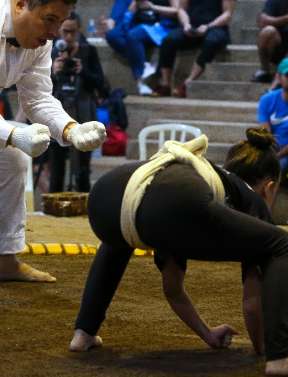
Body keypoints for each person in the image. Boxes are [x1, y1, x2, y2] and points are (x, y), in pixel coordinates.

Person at [69, 128, 288, 376]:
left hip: (106, 197)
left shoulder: (193, 187)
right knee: (280, 243)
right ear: (270, 188)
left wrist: (207, 333)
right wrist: (265, 350)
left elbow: (173, 289)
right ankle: (282, 356)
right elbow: (252, 305)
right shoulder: (251, 200)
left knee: (119, 239)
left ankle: (84, 333)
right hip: (168, 197)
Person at [0, 0, 107, 283]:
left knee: (12, 159)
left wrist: (71, 129)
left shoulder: (39, 40)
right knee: (11, 146)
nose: (55, 32)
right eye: (49, 20)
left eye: (60, 22)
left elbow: (37, 98)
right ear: (21, 4)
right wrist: (13, 133)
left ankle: (4, 260)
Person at [49, 11, 105, 192]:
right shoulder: (51, 51)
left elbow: (102, 85)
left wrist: (83, 71)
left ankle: (83, 206)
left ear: (79, 30)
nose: (69, 36)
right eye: (65, 31)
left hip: (83, 109)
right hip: (58, 110)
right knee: (56, 166)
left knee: (82, 167)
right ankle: (54, 207)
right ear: (59, 30)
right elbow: (37, 87)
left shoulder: (88, 51)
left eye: (73, 32)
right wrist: (52, 72)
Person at [154, 0, 235, 97]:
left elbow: (227, 14)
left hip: (215, 27)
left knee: (212, 41)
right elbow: (181, 10)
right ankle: (165, 84)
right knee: (168, 40)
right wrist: (186, 24)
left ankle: (188, 82)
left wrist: (208, 26)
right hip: (192, 26)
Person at [105, 0, 180, 95]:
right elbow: (127, 17)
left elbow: (177, 10)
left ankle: (140, 80)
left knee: (133, 35)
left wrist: (152, 7)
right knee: (112, 35)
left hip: (161, 24)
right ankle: (143, 64)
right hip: (139, 21)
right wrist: (130, 12)